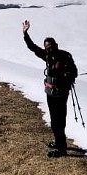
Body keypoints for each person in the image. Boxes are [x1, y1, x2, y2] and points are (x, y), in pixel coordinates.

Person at [22, 19, 77, 157]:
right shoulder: (48, 56)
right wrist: (25, 33)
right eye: (47, 48)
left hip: (61, 93)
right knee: (54, 120)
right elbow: (33, 47)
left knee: (59, 120)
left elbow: (74, 73)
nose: (49, 50)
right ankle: (59, 143)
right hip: (51, 93)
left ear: (55, 45)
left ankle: (62, 149)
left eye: (51, 47)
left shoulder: (64, 57)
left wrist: (63, 81)